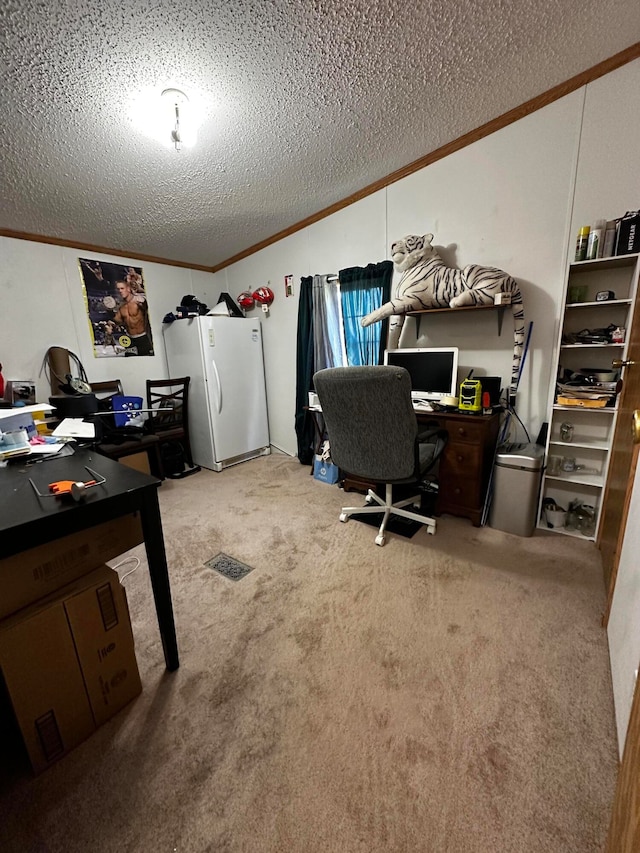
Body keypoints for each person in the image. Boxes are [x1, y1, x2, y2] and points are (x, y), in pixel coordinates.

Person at [110, 279, 154, 356]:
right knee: (130, 360)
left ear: (128, 289)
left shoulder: (139, 300)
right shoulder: (120, 307)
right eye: (118, 289)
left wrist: (143, 302)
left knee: (146, 361)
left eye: (122, 288)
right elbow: (117, 321)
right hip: (129, 339)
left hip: (142, 337)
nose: (120, 291)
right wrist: (110, 311)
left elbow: (148, 309)